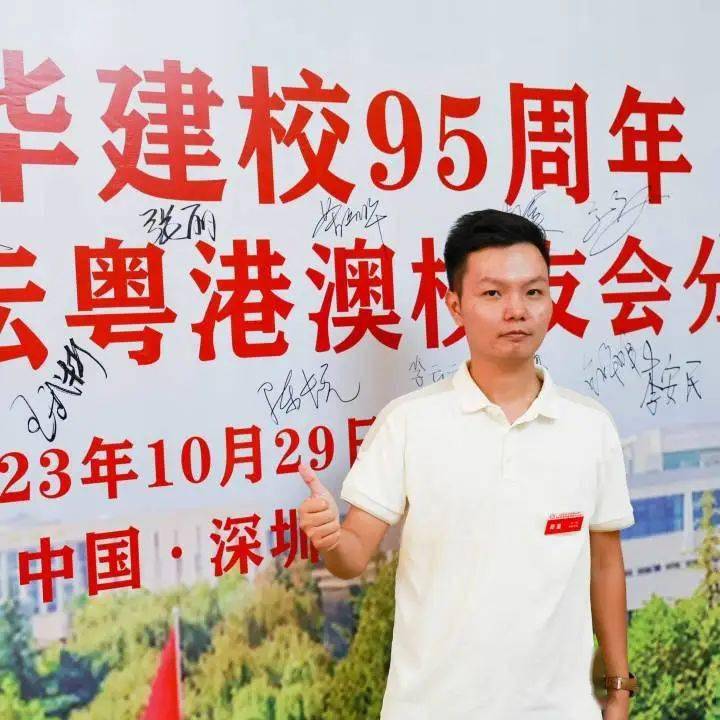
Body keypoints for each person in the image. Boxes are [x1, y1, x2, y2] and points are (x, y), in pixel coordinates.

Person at [297, 209, 638, 719]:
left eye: (533, 291)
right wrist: (328, 536)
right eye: (493, 293)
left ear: (552, 300)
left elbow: (606, 565)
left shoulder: (590, 426)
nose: (516, 310)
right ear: (455, 305)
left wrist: (618, 688)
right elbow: (351, 558)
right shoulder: (409, 422)